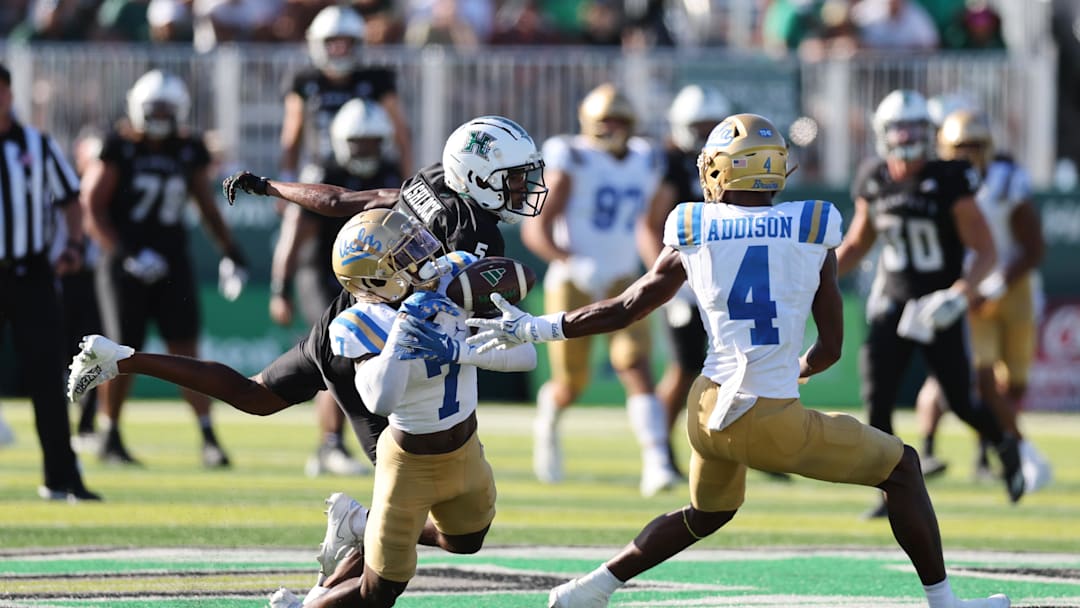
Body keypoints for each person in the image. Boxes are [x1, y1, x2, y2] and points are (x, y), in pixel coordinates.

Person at [467, 112, 1011, 608]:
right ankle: (946, 605)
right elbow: (829, 351)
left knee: (708, 514)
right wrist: (792, 368)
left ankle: (592, 588)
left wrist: (536, 327)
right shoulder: (812, 225)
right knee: (903, 468)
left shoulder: (692, 225)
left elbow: (627, 307)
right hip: (768, 414)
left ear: (724, 170)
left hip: (705, 409)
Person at [67, 209, 537, 608]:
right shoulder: (363, 322)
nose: (425, 258)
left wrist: (458, 342)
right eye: (409, 254)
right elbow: (380, 399)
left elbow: (520, 286)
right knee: (381, 585)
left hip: (459, 442)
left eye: (419, 245)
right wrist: (407, 336)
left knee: (464, 539)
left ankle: (359, 526)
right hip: (402, 432)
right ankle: (125, 359)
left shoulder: (445, 271)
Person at [833, 89, 1023, 518]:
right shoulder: (874, 177)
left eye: (916, 127)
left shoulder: (950, 178)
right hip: (893, 302)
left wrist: (960, 294)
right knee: (876, 399)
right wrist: (818, 275)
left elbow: (987, 250)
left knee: (959, 401)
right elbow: (859, 242)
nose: (907, 136)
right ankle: (889, 491)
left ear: (930, 132)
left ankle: (1005, 447)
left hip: (939, 303)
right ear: (883, 133)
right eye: (899, 128)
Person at [80, 69, 249, 468]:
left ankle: (207, 436)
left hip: (172, 259)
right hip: (124, 263)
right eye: (152, 108)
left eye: (166, 109)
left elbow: (206, 205)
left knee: (185, 348)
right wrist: (125, 255)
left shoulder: (187, 148)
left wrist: (231, 250)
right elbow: (92, 207)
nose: (158, 116)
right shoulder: (118, 146)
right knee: (119, 349)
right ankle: (111, 434)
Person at [522, 82, 677, 496]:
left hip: (624, 277)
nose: (612, 129)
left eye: (619, 121)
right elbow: (534, 228)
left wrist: (663, 271)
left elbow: (650, 225)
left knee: (636, 366)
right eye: (604, 122)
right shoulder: (571, 157)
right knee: (573, 383)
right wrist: (571, 261)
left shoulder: (646, 158)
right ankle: (550, 420)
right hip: (574, 281)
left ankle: (657, 461)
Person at [913, 109, 1051, 491]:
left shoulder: (1008, 180)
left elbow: (1033, 246)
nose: (966, 154)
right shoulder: (935, 182)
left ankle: (997, 443)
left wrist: (1001, 283)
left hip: (1012, 287)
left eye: (974, 146)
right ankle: (1018, 448)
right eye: (959, 146)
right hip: (968, 291)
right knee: (984, 378)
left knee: (1016, 384)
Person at [272, 98, 401, 478]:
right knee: (339, 355)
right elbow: (295, 233)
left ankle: (358, 443)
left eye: (373, 142)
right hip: (323, 275)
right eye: (358, 142)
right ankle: (331, 444)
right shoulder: (325, 170)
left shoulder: (391, 170)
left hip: (372, 282)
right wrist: (280, 288)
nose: (365, 150)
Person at [0, 62, 100, 501]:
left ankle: (60, 476)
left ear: (9, 95)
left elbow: (69, 199)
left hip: (31, 273)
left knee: (47, 377)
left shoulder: (36, 146)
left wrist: (74, 245)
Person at [637, 83, 729, 480]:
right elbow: (649, 225)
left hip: (725, 275)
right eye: (699, 124)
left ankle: (745, 444)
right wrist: (664, 278)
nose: (704, 131)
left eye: (711, 124)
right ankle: (659, 448)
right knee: (685, 365)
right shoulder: (672, 162)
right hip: (690, 279)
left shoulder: (724, 159)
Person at [280, 4, 412, 184]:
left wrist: (408, 181)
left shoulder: (377, 80)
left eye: (345, 44)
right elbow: (292, 134)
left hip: (373, 172)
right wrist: (287, 177)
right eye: (333, 44)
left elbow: (400, 134)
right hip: (323, 172)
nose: (340, 51)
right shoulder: (305, 80)